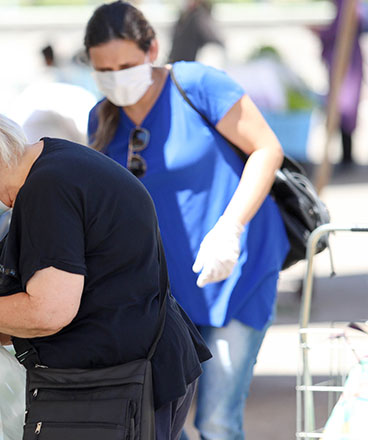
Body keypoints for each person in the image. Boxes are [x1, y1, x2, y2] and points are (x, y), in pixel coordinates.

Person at [0, 100, 211, 440]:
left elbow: (49, 310)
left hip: (120, 379)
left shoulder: (48, 190)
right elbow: (80, 285)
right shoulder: (58, 162)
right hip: (136, 364)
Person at [84, 2, 289, 439]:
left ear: (152, 48)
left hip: (238, 269)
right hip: (165, 293)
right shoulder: (101, 120)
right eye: (104, 69)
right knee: (162, 422)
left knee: (216, 419)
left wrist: (230, 227)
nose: (117, 77)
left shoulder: (197, 84)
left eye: (126, 64)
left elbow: (266, 149)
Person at [317, 0, 367, 169]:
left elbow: (354, 22)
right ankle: (345, 156)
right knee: (338, 107)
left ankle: (348, 157)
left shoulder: (350, 5)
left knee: (346, 107)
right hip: (338, 58)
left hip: (348, 59)